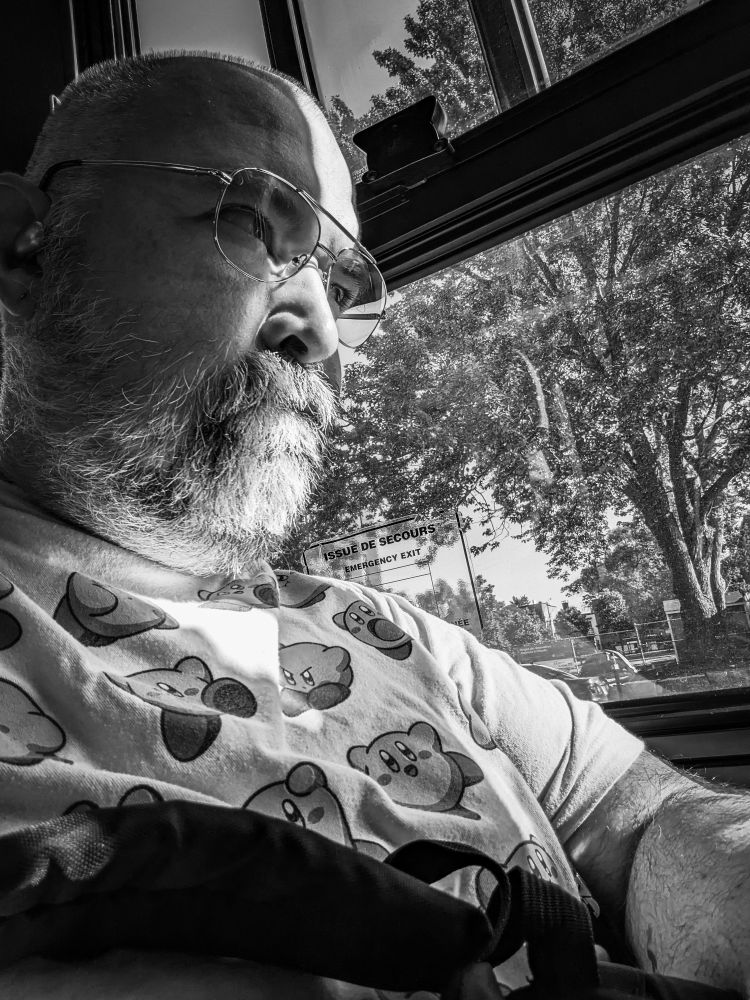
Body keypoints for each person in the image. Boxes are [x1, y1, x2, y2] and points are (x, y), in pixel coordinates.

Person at [0, 51, 747, 999]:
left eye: (344, 290)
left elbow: (631, 814)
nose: (319, 330)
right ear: (25, 247)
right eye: (253, 221)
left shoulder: (399, 636)